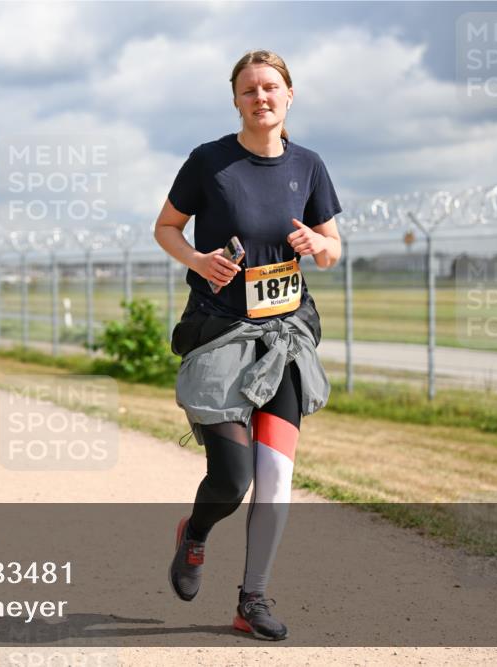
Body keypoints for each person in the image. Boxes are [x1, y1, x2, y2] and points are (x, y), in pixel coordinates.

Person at [154, 50, 341, 641]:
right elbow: (165, 227)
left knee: (278, 479)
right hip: (220, 338)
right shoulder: (209, 163)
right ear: (235, 100)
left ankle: (252, 599)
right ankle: (196, 535)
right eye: (248, 90)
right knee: (233, 479)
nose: (261, 98)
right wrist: (197, 261)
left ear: (289, 96)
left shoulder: (309, 166)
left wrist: (317, 241)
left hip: (283, 341)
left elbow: (334, 248)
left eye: (270, 88)